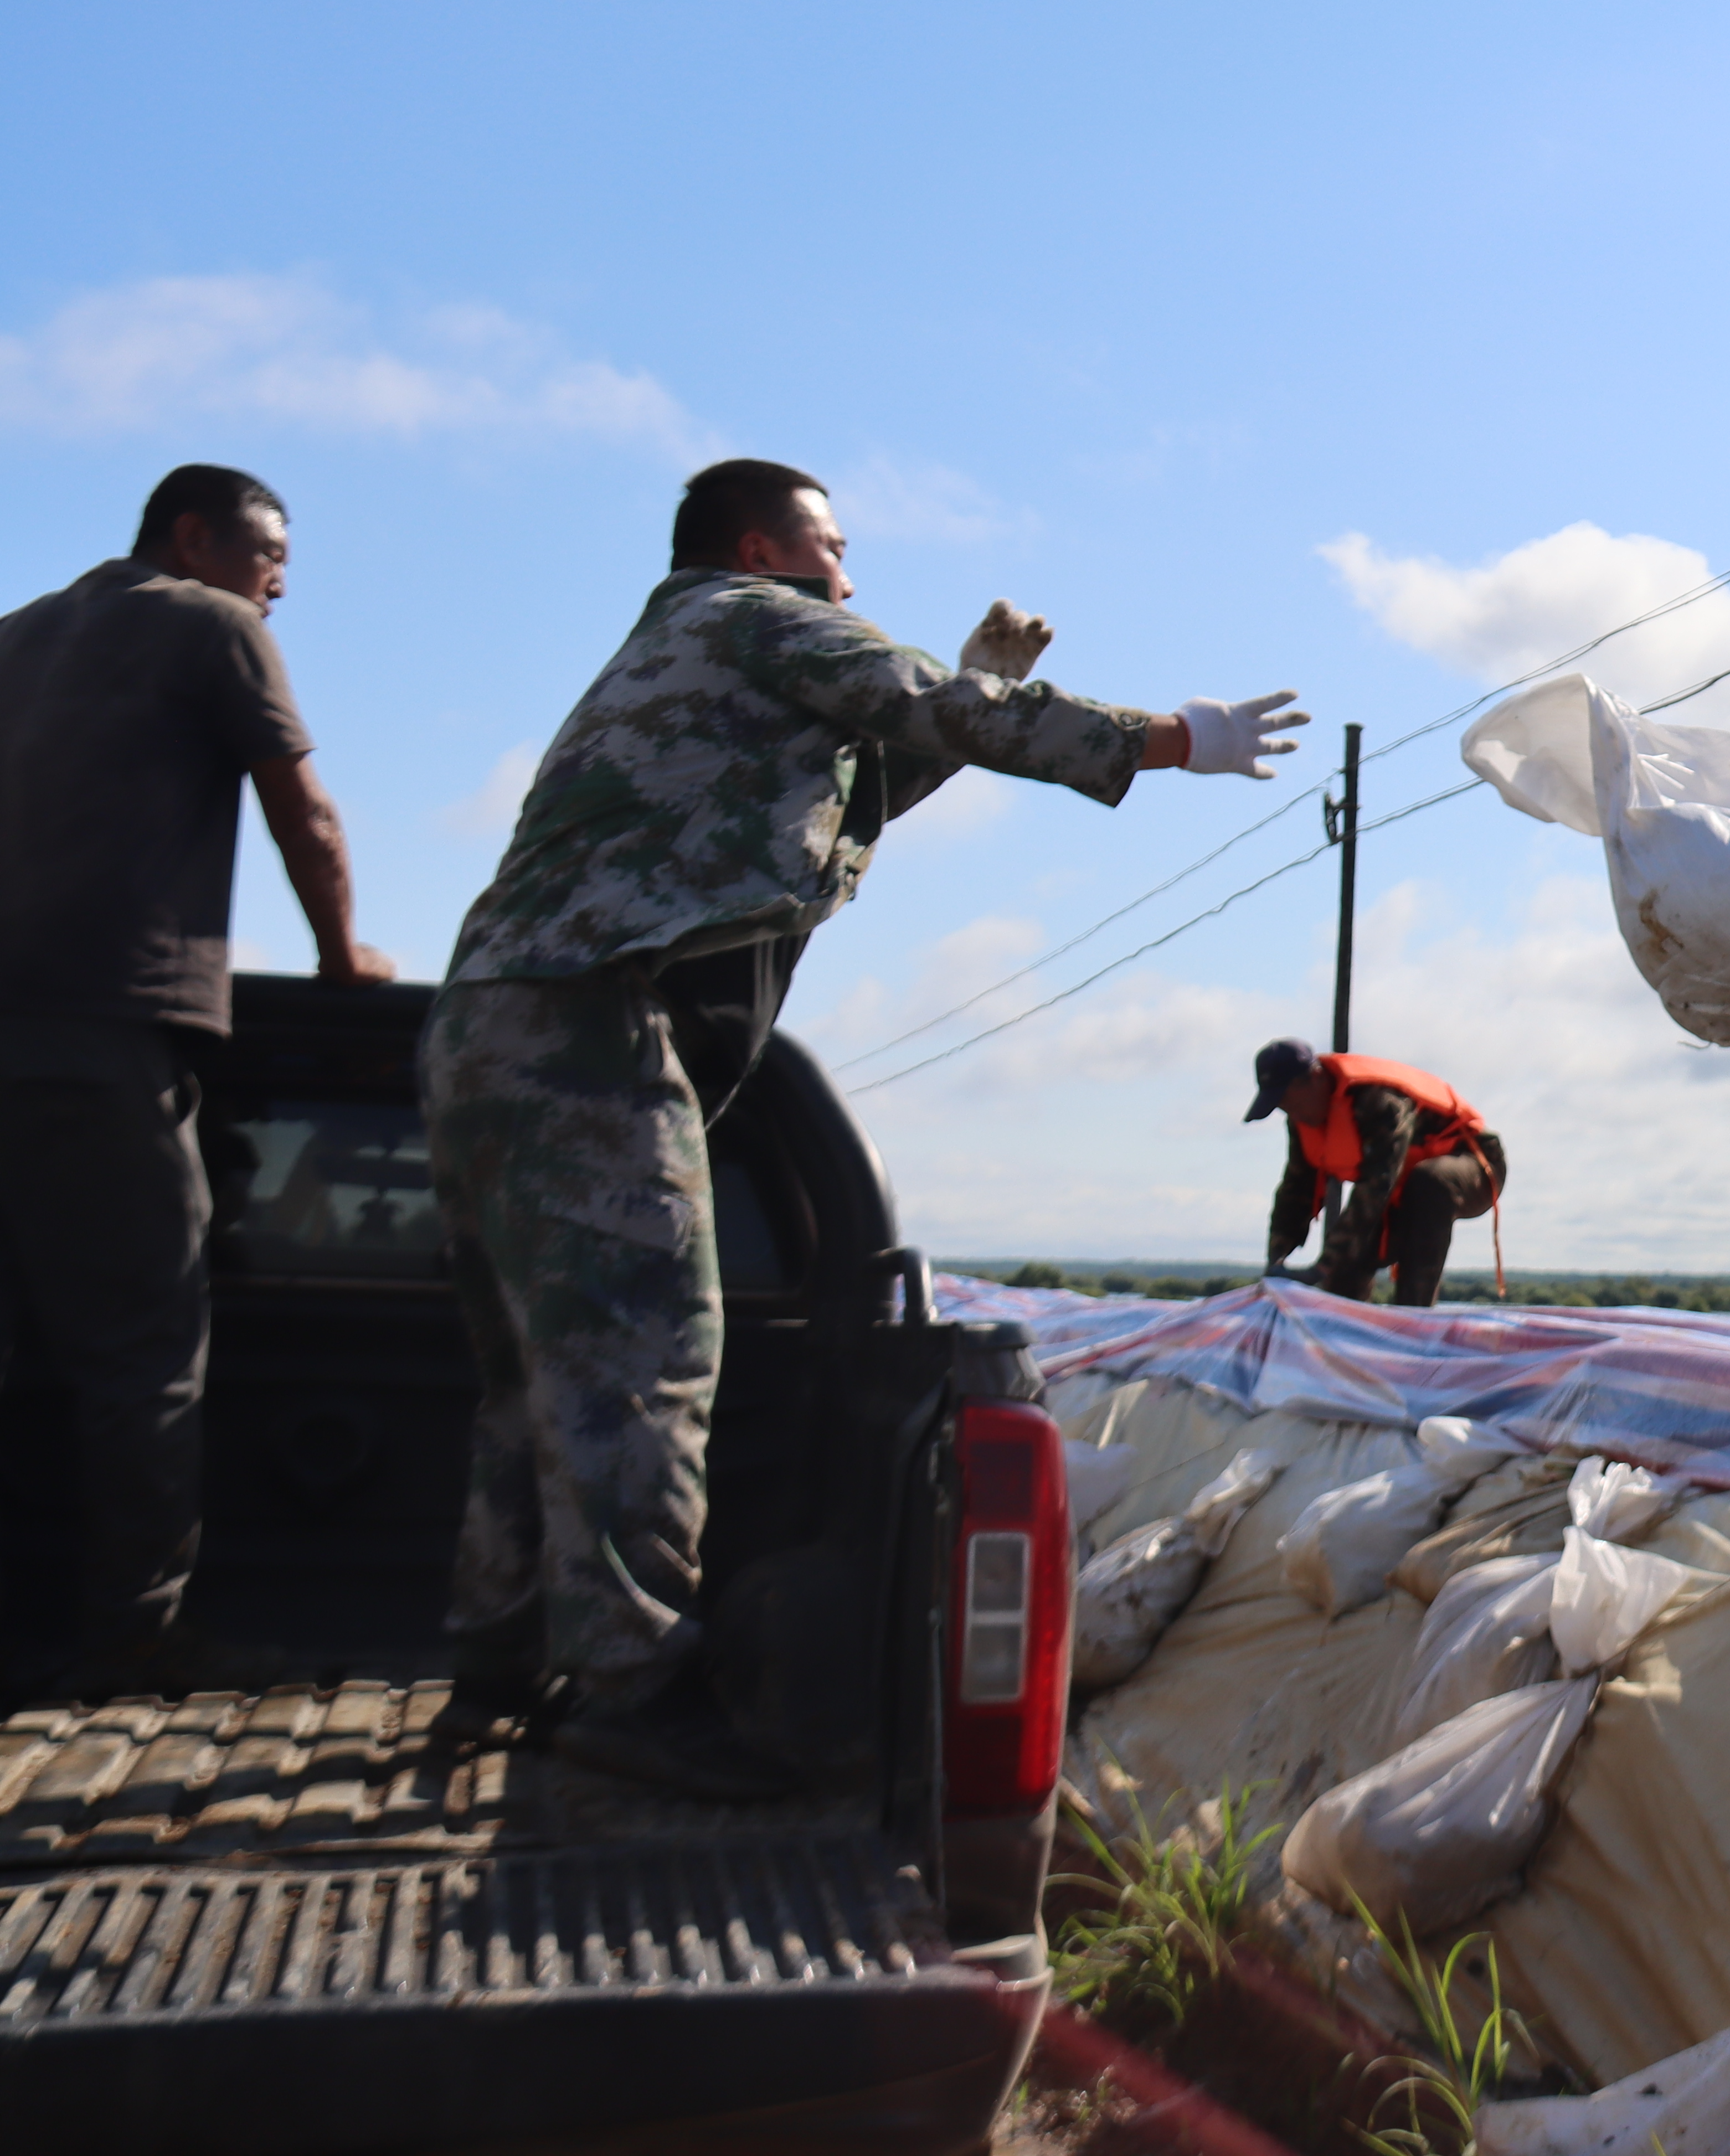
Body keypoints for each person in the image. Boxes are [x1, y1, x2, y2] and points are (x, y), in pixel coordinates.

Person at [429, 456, 1307, 1792]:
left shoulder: (700, 656)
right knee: (643, 1360)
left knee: (534, 1371)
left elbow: (874, 776)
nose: (851, 574)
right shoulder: (752, 614)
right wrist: (1167, 736)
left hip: (491, 1021)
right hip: (586, 1023)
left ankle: (498, 1661)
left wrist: (966, 697)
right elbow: (927, 701)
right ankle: (630, 1687)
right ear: (762, 546)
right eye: (833, 545)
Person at [0, 466, 396, 1700]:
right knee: (141, 1354)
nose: (280, 582)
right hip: (108, 1036)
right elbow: (304, 813)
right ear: (191, 536)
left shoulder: (15, 637)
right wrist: (344, 958)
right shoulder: (209, 623)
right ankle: (135, 1638)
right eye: (271, 552)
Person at [1248, 1039, 1505, 1309]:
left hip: (1476, 1167)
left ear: (1315, 1078)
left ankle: (1413, 1319)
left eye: (1288, 1100)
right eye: (1281, 1107)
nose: (1290, 1113)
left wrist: (1323, 1267)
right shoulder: (1303, 1118)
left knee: (1429, 1183)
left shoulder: (1378, 1099)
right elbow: (1297, 1187)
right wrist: (1276, 1257)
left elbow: (1377, 1184)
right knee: (1348, 1264)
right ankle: (1343, 1332)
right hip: (1402, 1188)